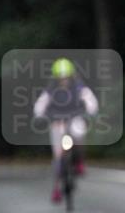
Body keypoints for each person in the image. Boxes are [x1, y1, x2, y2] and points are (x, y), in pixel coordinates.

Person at [33, 58, 99, 203]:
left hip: (75, 118)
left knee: (79, 135)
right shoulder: (50, 89)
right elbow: (41, 103)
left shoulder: (79, 87)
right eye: (60, 78)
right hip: (57, 122)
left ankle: (79, 161)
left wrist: (91, 110)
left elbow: (90, 100)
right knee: (58, 155)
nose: (63, 80)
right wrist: (39, 114)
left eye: (66, 77)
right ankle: (56, 188)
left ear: (71, 76)